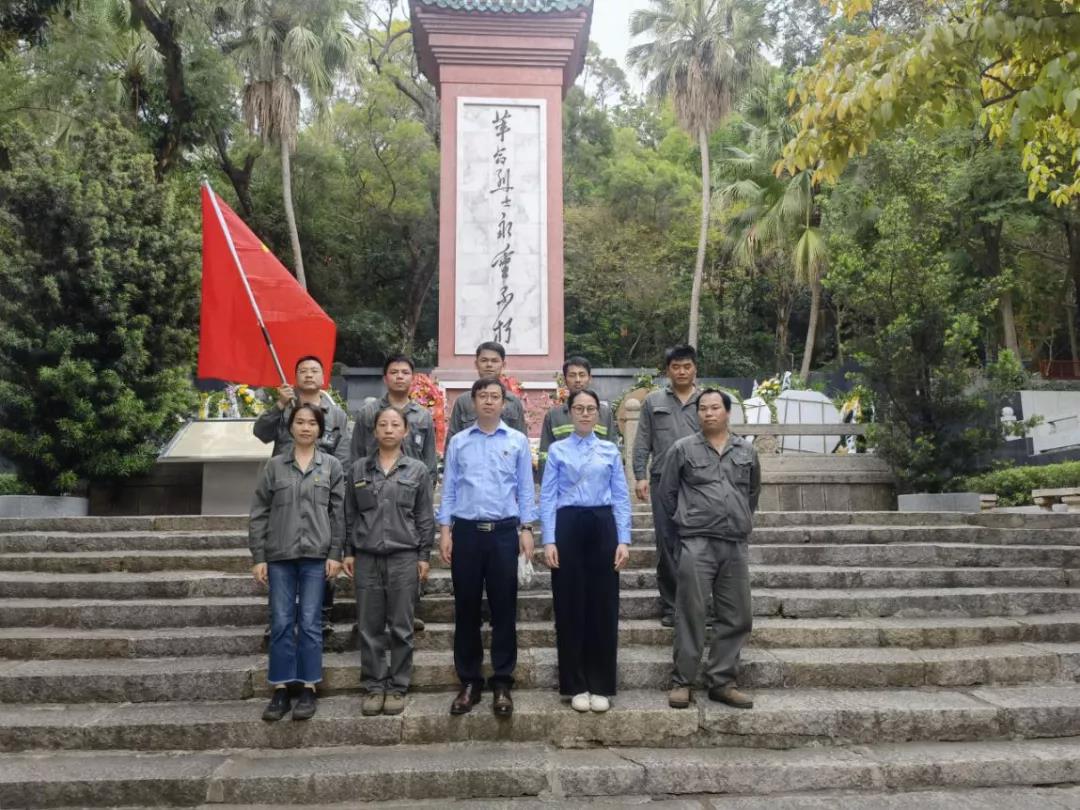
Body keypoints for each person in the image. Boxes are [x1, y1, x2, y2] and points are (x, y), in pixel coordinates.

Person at [438, 377, 537, 717]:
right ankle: (469, 681)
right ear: (473, 401)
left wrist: (527, 528)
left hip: (503, 533)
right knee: (465, 608)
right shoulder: (459, 443)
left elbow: (525, 488)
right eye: (483, 396)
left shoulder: (518, 441)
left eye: (495, 396)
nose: (489, 402)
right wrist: (445, 530)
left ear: (505, 402)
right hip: (465, 532)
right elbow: (449, 488)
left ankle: (502, 681)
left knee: (504, 609)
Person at [659, 389, 760, 711]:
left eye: (715, 407)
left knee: (737, 615)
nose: (709, 413)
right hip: (696, 542)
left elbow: (752, 494)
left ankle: (722, 681)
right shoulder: (682, 449)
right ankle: (683, 682)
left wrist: (738, 520)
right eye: (703, 408)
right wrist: (686, 527)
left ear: (727, 412)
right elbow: (667, 495)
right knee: (691, 613)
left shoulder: (746, 451)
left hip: (733, 544)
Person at [249, 403, 345, 722]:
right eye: (300, 422)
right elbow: (260, 512)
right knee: (280, 622)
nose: (305, 428)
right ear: (291, 427)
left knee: (310, 622)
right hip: (279, 556)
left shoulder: (331, 466)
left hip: (316, 557)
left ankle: (308, 686)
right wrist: (259, 557)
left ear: (320, 429)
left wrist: (335, 554)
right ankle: (280, 688)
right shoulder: (275, 466)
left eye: (312, 423)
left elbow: (338, 515)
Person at [540, 388, 631, 713]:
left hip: (603, 525)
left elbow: (620, 496)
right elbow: (548, 497)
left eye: (590, 408)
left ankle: (601, 683)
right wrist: (548, 539)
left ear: (598, 414)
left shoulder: (609, 450)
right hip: (568, 525)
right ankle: (575, 683)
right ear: (570, 412)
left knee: (603, 606)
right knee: (569, 605)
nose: (585, 413)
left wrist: (624, 539)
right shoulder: (557, 451)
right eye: (579, 408)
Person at [343, 405, 434, 717]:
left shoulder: (417, 471)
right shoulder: (358, 470)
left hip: (404, 557)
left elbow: (424, 517)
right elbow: (349, 514)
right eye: (383, 424)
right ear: (374, 431)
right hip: (367, 557)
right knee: (369, 626)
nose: (389, 429)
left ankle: (397, 685)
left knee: (401, 626)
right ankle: (373, 685)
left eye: (396, 424)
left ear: (406, 431)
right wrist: (348, 552)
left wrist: (424, 556)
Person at [253, 355, 350, 635]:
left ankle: (322, 615)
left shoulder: (336, 414)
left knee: (323, 548)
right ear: (295, 377)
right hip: (285, 486)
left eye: (314, 370)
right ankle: (280, 619)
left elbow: (343, 453)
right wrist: (280, 405)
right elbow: (260, 433)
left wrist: (336, 485)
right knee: (282, 552)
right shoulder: (285, 408)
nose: (309, 375)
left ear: (324, 377)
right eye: (303, 371)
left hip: (322, 485)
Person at [350, 354, 438, 632]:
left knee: (409, 557)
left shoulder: (422, 415)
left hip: (409, 495)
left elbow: (430, 461)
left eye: (405, 372)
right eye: (394, 372)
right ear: (385, 377)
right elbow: (356, 455)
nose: (400, 376)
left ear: (413, 378)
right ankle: (369, 616)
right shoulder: (369, 413)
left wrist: (425, 492)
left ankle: (410, 612)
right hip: (373, 491)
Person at [631, 345, 702, 627]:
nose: (682, 371)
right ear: (667, 370)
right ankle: (671, 606)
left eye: (687, 366)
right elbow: (642, 440)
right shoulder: (653, 401)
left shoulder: (708, 401)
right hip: (663, 481)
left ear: (695, 368)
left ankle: (700, 606)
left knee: (699, 543)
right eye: (676, 367)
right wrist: (640, 475)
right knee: (667, 542)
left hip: (700, 481)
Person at [538, 356, 618, 474]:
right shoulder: (553, 416)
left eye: (582, 375)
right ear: (565, 380)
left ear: (589, 378)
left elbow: (613, 453)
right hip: (565, 485)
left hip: (597, 483)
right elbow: (545, 456)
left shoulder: (605, 414)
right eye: (572, 375)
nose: (577, 380)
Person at [446, 342, 527, 440]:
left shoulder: (513, 401)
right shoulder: (463, 401)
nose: (489, 365)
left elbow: (522, 440)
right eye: (484, 360)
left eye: (494, 361)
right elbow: (452, 442)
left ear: (503, 365)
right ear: (476, 364)